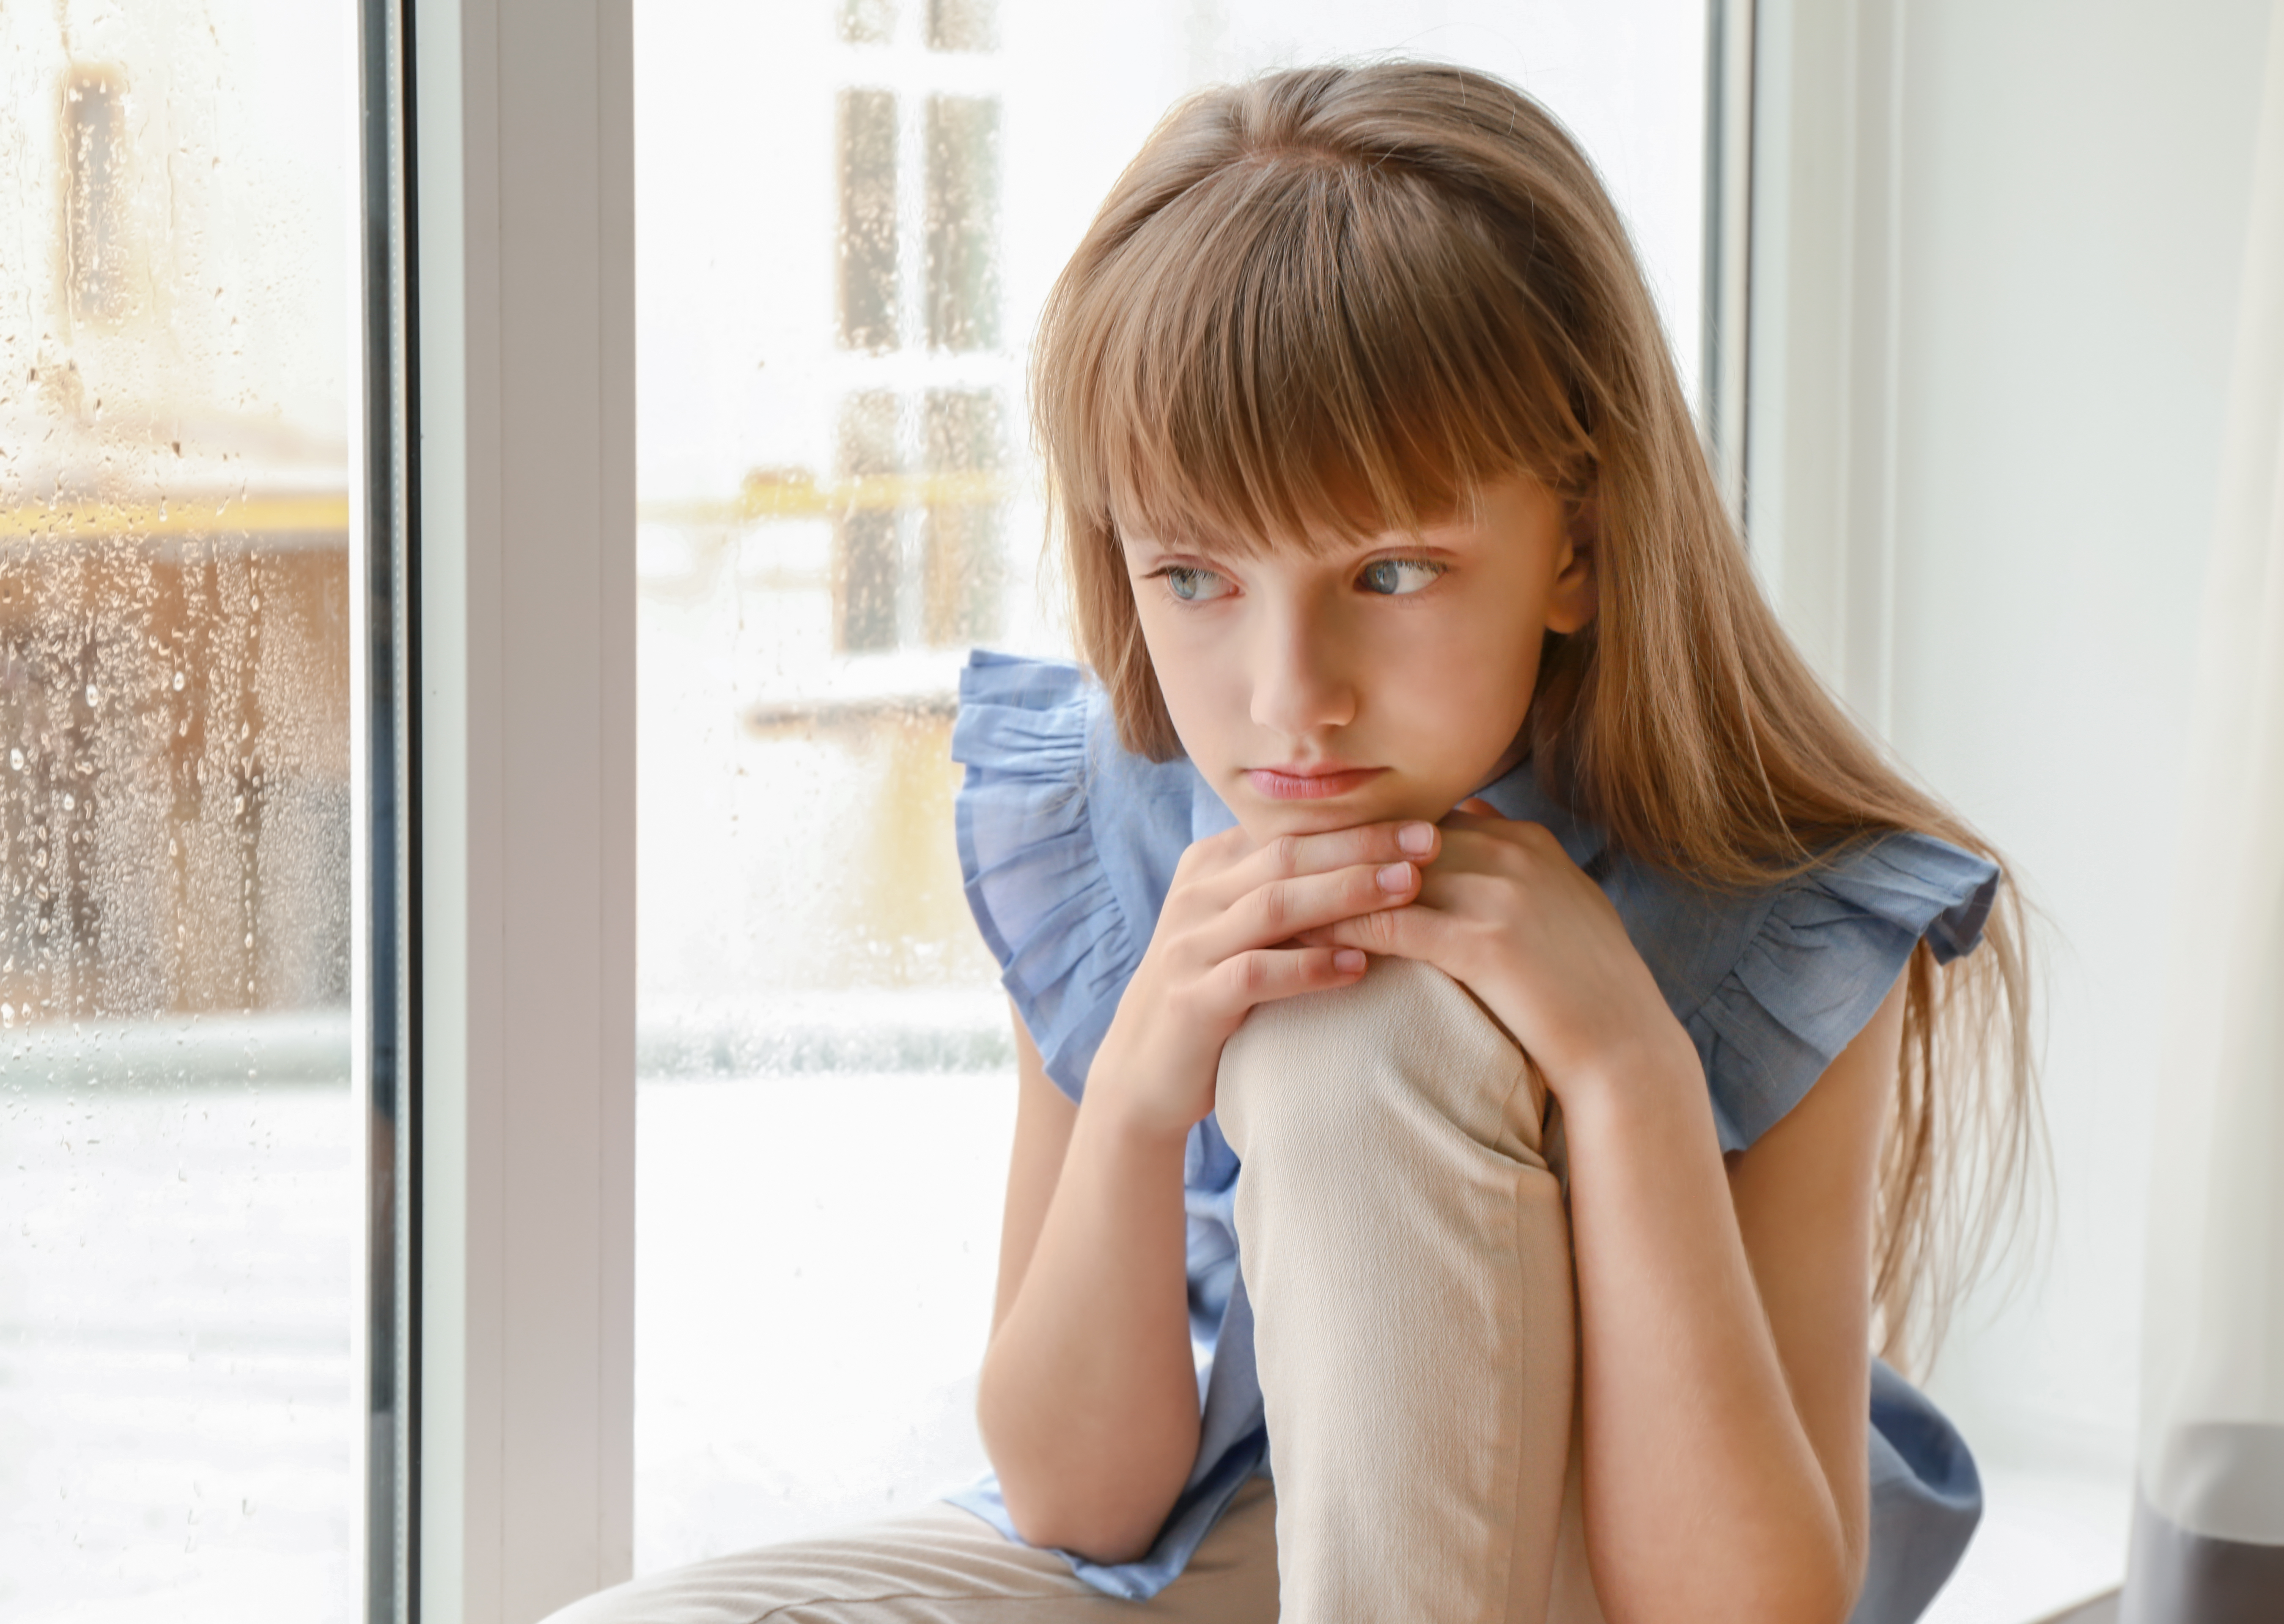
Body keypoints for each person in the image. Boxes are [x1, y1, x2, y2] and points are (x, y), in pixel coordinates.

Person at [553, 60, 2037, 1624]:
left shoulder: (1781, 910)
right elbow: (1078, 1501)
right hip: (1227, 1547)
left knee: (1361, 1041)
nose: (1288, 701)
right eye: (1193, 577)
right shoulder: (1114, 820)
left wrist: (1624, 1073)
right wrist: (1138, 1082)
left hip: (1574, 1571)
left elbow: (1748, 1611)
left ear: (1579, 548)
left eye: (1390, 573)